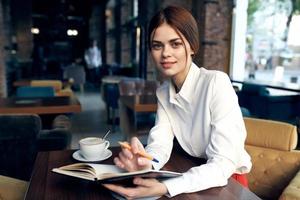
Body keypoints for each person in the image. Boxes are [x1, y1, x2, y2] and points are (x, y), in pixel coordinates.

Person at [103, 6, 252, 199]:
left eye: (175, 44)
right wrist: (146, 163)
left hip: (228, 181)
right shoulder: (163, 91)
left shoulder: (216, 83)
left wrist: (166, 187)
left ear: (192, 46)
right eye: (157, 46)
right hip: (194, 172)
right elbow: (160, 145)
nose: (165, 53)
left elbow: (223, 164)